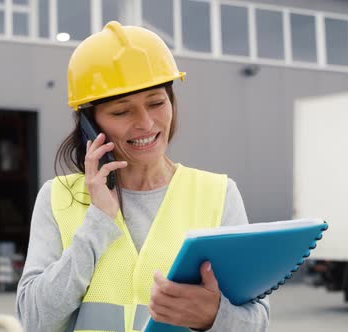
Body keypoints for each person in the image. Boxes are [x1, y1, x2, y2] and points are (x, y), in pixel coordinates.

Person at [16, 21, 270, 332]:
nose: (146, 123)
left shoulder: (218, 194)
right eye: (122, 112)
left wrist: (214, 316)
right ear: (89, 124)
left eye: (156, 103)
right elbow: (34, 321)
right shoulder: (58, 198)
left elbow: (256, 322)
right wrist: (97, 223)